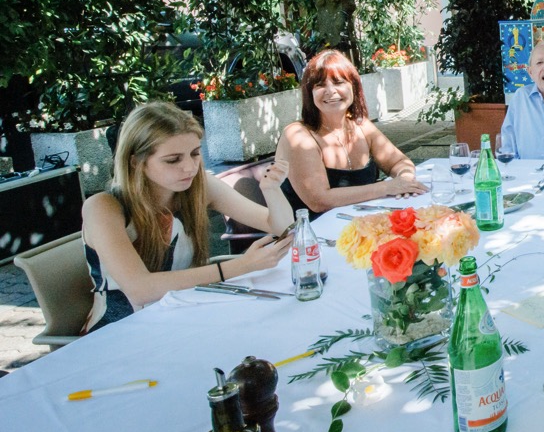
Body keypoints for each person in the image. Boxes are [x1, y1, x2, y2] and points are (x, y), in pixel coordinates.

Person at [81, 102, 295, 332]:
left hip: (182, 315)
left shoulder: (199, 187)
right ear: (136, 162)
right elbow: (140, 289)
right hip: (121, 330)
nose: (190, 167)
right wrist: (241, 266)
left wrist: (272, 190)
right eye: (173, 160)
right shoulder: (103, 207)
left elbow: (282, 227)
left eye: (194, 154)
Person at [279, 50, 427, 219]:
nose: (330, 91)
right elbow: (319, 201)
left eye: (339, 82)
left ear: (353, 87)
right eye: (320, 85)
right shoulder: (298, 135)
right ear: (309, 93)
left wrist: (405, 179)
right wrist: (388, 187)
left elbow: (399, 162)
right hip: (308, 236)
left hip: (359, 225)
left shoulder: (361, 125)